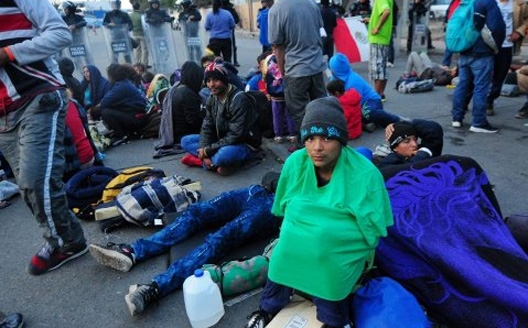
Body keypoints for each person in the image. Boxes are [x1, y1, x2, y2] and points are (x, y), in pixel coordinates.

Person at [245, 97, 393, 328]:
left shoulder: (366, 175)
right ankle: (267, 308)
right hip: (296, 245)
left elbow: (373, 233)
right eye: (310, 138)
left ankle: (336, 320)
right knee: (281, 255)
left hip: (335, 254)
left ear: (341, 140)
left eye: (327, 138)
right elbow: (283, 209)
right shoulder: (295, 162)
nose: (317, 148)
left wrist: (325, 239)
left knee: (328, 267)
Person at [88, 175, 282, 316]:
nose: (314, 146)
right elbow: (270, 177)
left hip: (273, 207)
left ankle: (154, 287)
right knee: (195, 212)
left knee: (221, 238)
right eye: (311, 140)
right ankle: (132, 251)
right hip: (254, 191)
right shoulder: (301, 156)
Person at [0, 0, 87, 275]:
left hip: (37, 96)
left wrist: (8, 53)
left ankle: (65, 243)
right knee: (27, 187)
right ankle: (68, 239)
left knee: (35, 180)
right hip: (3, 115)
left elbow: (61, 33)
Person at [180, 59, 262, 176]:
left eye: (216, 80)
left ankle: (203, 161)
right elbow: (207, 127)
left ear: (224, 80)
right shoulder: (212, 98)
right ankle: (208, 161)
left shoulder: (239, 99)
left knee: (223, 155)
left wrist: (207, 150)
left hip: (242, 143)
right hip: (220, 139)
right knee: (185, 141)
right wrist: (205, 149)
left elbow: (235, 135)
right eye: (208, 81)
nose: (211, 84)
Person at [268, 0, 327, 141]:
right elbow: (320, 33)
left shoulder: (276, 10)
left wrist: (283, 73)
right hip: (316, 66)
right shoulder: (312, 4)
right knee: (320, 109)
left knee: (300, 113)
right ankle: (325, 143)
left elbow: (278, 47)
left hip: (295, 70)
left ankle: (309, 146)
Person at [451, 0, 505, 133]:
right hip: (482, 52)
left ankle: (457, 118)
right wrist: (496, 47)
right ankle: (478, 122)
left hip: (465, 49)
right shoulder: (488, 3)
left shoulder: (466, 2)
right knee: (481, 87)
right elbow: (497, 27)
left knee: (462, 85)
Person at [329, 53, 401, 129]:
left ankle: (396, 120)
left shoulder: (353, 81)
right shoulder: (334, 78)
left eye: (331, 68)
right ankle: (369, 123)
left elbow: (355, 104)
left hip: (370, 101)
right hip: (352, 106)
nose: (331, 70)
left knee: (368, 112)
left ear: (336, 69)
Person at [154, 61, 205, 158]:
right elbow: (194, 121)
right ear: (195, 78)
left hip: (175, 134)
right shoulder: (187, 93)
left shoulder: (176, 89)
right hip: (183, 135)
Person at [99, 63, 148, 146]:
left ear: (112, 75)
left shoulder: (120, 87)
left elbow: (104, 103)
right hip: (138, 115)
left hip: (138, 118)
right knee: (111, 109)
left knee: (105, 112)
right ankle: (125, 132)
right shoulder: (124, 83)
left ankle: (121, 136)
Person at [486, 0, 514, 116]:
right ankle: (465, 100)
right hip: (488, 44)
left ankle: (490, 101)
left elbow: (525, 20)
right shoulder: (489, 2)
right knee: (480, 74)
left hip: (507, 45)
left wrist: (519, 31)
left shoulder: (517, 4)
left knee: (500, 75)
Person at [378, 119, 444, 168]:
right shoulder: (388, 162)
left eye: (415, 140)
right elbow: (407, 174)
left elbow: (434, 129)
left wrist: (404, 124)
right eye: (407, 141)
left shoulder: (423, 150)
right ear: (395, 148)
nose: (414, 145)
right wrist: (423, 154)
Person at [265, 54, 297, 144]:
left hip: (275, 95)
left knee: (277, 115)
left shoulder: (270, 60)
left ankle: (278, 135)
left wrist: (266, 92)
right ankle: (292, 134)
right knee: (290, 114)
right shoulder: (290, 58)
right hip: (288, 93)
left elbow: (265, 78)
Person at [368, 0, 394, 100]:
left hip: (378, 38)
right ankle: (380, 94)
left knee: (378, 70)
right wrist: (370, 20)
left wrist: (377, 28)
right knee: (381, 68)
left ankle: (377, 96)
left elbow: (386, 11)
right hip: (383, 38)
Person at [204, 0, 235, 64]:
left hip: (214, 40)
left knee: (215, 60)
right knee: (227, 59)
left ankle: (217, 72)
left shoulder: (209, 15)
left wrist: (212, 28)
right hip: (226, 39)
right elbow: (233, 25)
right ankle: (228, 72)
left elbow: (206, 27)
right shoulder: (227, 13)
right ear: (221, 4)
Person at [222, 0, 241, 66]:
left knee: (231, 46)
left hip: (227, 30)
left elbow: (236, 19)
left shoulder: (229, 9)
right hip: (228, 31)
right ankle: (233, 61)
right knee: (231, 46)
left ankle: (233, 61)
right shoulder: (229, 8)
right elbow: (236, 20)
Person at [129, 1, 148, 66]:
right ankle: (144, 64)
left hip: (134, 34)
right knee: (144, 50)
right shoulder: (141, 16)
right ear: (139, 7)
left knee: (137, 50)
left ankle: (137, 63)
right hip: (142, 34)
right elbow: (144, 25)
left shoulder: (130, 15)